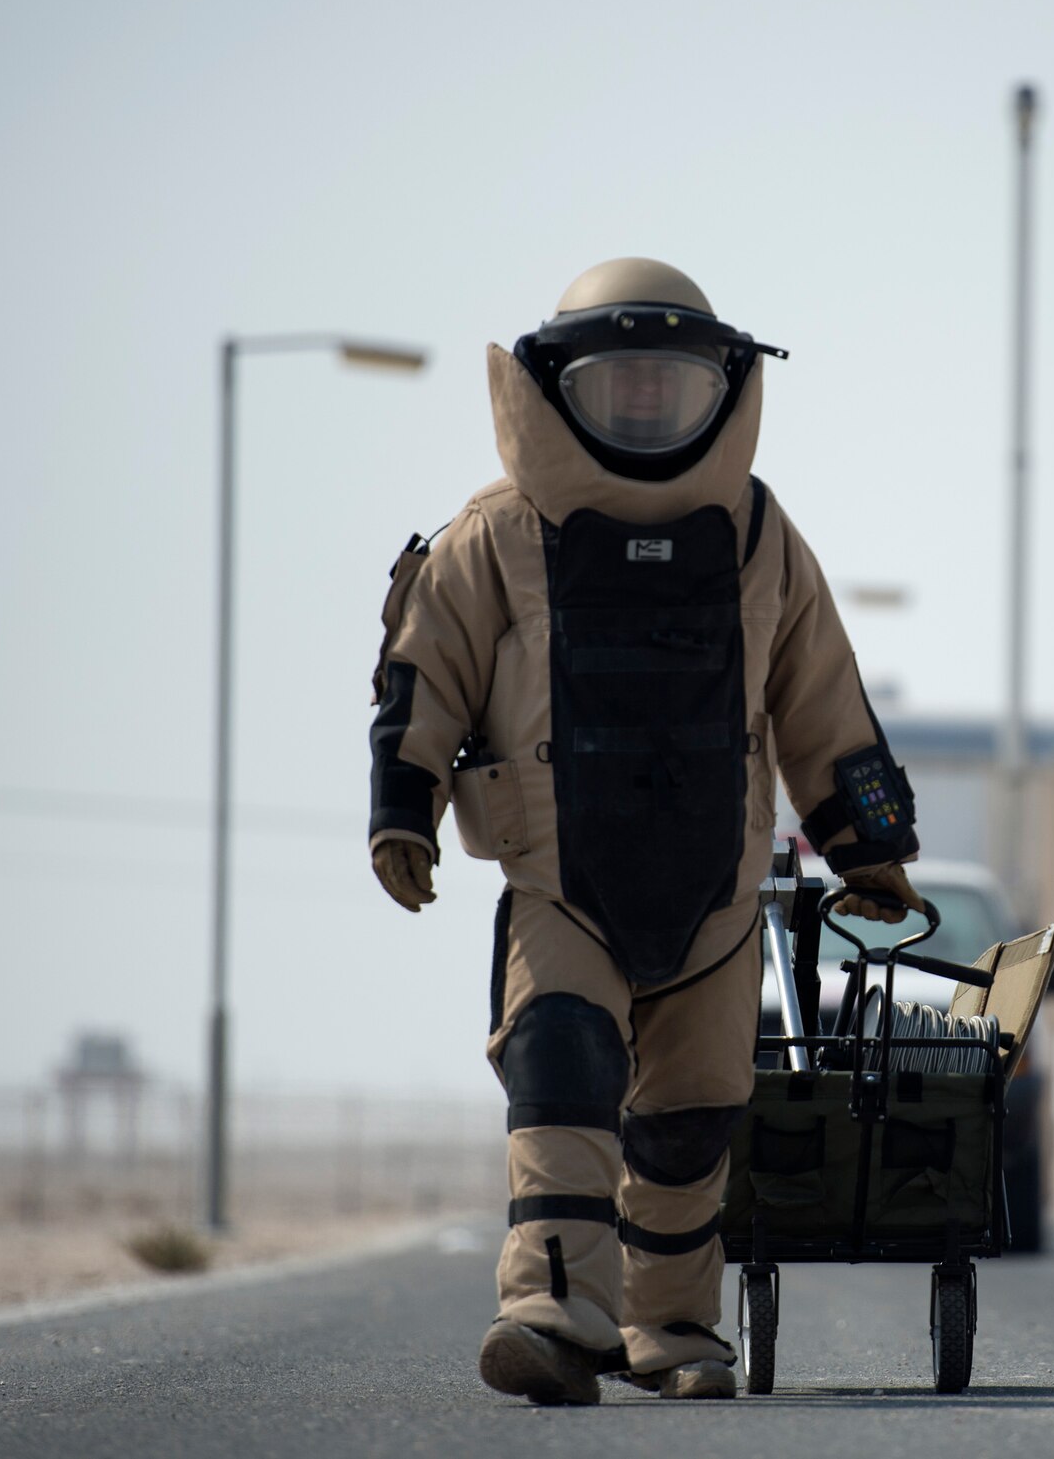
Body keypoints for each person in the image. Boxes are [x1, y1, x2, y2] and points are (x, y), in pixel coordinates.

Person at [367, 258, 922, 1404]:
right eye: (615, 383)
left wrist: (869, 851)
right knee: (558, 1071)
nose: (638, 405)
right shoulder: (498, 535)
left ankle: (672, 1331)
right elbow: (423, 680)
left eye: (662, 385)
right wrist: (401, 812)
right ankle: (551, 1312)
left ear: (717, 388)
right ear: (557, 385)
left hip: (715, 894)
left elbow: (822, 702)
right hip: (559, 885)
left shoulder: (759, 536)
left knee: (692, 1119)